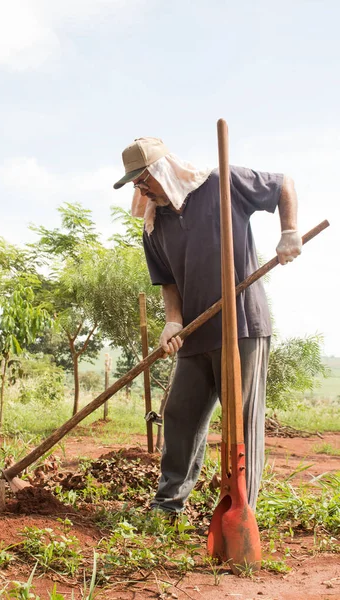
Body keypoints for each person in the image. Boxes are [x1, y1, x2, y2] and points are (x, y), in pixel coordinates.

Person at [113, 137, 302, 513]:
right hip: (195, 332)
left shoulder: (220, 182)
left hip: (242, 324)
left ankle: (240, 509)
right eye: (135, 183)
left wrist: (289, 231)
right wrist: (172, 322)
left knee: (241, 420)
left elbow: (283, 184)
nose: (140, 188)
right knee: (179, 413)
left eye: (143, 178)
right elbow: (167, 282)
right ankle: (167, 506)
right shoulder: (155, 226)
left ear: (164, 169)